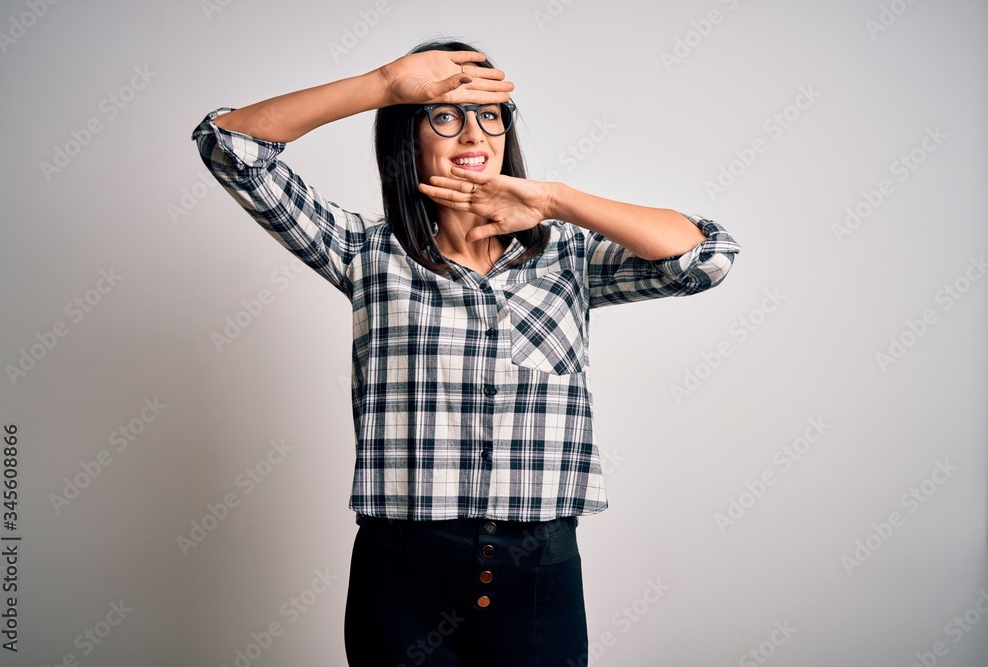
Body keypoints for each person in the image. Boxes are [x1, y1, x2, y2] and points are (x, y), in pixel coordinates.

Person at [192, 38, 740, 667]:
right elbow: (230, 147)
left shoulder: (568, 258)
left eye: (489, 115)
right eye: (444, 115)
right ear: (410, 139)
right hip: (400, 579)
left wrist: (553, 199)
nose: (471, 133)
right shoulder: (366, 253)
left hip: (538, 573)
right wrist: (388, 83)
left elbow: (705, 258)